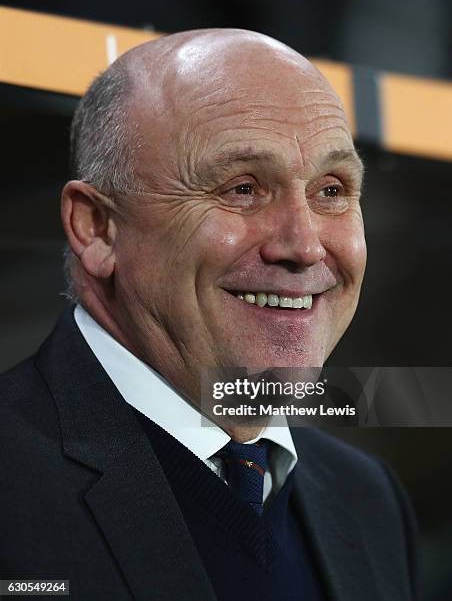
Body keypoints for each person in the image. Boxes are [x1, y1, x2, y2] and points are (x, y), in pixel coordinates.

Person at [0, 29, 419, 600]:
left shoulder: (367, 499)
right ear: (97, 228)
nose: (305, 246)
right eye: (243, 188)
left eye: (331, 190)